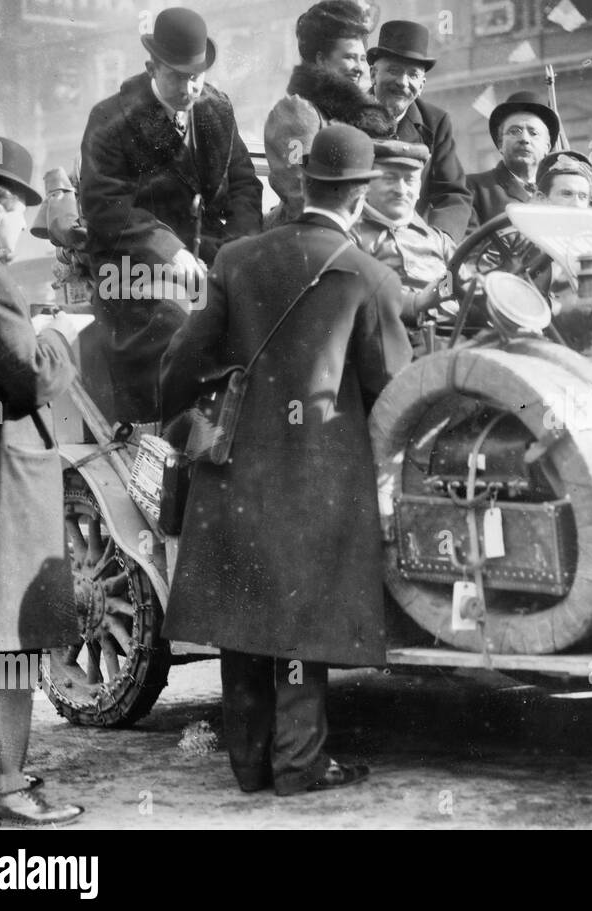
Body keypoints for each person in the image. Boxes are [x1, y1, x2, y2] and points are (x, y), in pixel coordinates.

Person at [159, 125, 411, 796]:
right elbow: (395, 385)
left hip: (234, 465)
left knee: (245, 612)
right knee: (305, 616)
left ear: (301, 184)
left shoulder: (236, 257)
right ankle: (300, 764)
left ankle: (249, 763)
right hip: (320, 474)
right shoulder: (368, 273)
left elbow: (183, 361)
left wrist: (179, 411)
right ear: (359, 196)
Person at [0, 135, 85, 826]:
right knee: (3, 635)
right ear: (0, 208)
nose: (17, 229)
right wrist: (58, 334)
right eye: (18, 214)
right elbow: (26, 378)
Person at [79, 6, 262, 423]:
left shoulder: (215, 108)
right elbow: (107, 208)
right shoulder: (110, 119)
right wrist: (170, 252)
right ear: (152, 67)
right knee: (183, 333)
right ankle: (175, 444)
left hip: (213, 263)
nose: (190, 87)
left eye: (196, 75)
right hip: (132, 274)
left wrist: (238, 250)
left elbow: (245, 187)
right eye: (178, 76)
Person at [264, 1, 393, 226]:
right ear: (321, 60)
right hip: (309, 232)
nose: (359, 68)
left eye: (362, 59)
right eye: (349, 57)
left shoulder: (361, 115)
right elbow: (298, 189)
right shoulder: (298, 113)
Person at [367, 20, 472, 239]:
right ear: (373, 74)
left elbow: (452, 193)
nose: (403, 82)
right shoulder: (346, 113)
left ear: (422, 85)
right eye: (393, 70)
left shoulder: (436, 122)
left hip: (412, 241)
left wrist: (439, 240)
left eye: (413, 75)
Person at [352, 140, 458, 324]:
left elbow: (456, 281)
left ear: (418, 188)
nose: (401, 190)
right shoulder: (351, 237)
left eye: (409, 180)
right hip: (389, 339)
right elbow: (354, 294)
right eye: (390, 178)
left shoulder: (439, 241)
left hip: (451, 334)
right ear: (366, 184)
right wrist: (415, 303)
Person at [465, 91, 558, 230]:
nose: (524, 139)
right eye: (514, 131)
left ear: (547, 147)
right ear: (500, 144)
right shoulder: (472, 188)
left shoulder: (559, 190)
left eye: (533, 133)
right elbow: (469, 247)